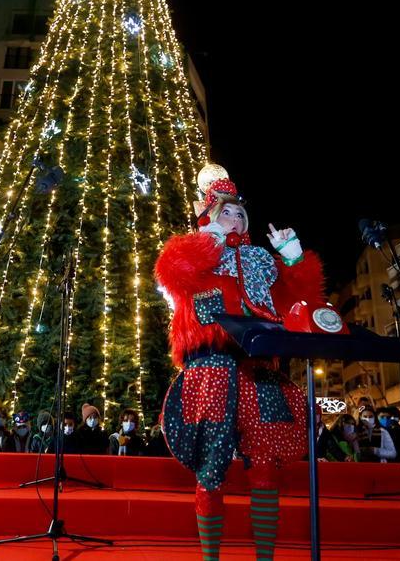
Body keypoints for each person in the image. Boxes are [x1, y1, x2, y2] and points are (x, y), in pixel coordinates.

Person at [155, 164, 325, 561]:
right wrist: (207, 243)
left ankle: (264, 556)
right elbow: (172, 274)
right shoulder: (191, 250)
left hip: (259, 369)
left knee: (265, 466)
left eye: (239, 213)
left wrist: (294, 260)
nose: (235, 218)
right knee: (211, 465)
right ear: (209, 215)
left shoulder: (260, 259)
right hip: (211, 366)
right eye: (226, 212)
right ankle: (211, 557)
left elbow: (302, 304)